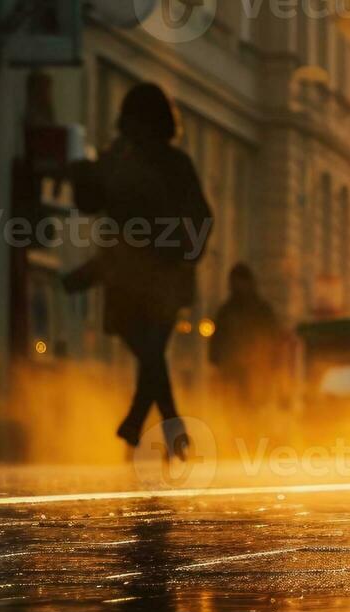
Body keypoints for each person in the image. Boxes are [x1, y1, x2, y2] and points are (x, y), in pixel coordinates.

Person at [70, 83, 213, 457]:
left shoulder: (165, 163)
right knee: (149, 352)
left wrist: (180, 252)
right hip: (136, 274)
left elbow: (200, 218)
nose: (131, 128)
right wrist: (83, 170)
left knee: (150, 351)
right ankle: (162, 425)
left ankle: (147, 423)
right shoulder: (125, 160)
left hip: (158, 274)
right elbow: (89, 200)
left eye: (136, 120)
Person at [209, 263, 282, 415]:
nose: (237, 285)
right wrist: (215, 358)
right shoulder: (227, 310)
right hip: (232, 369)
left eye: (240, 281)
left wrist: (274, 362)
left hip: (256, 370)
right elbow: (218, 338)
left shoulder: (261, 310)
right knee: (233, 409)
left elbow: (274, 337)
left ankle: (248, 435)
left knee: (252, 408)